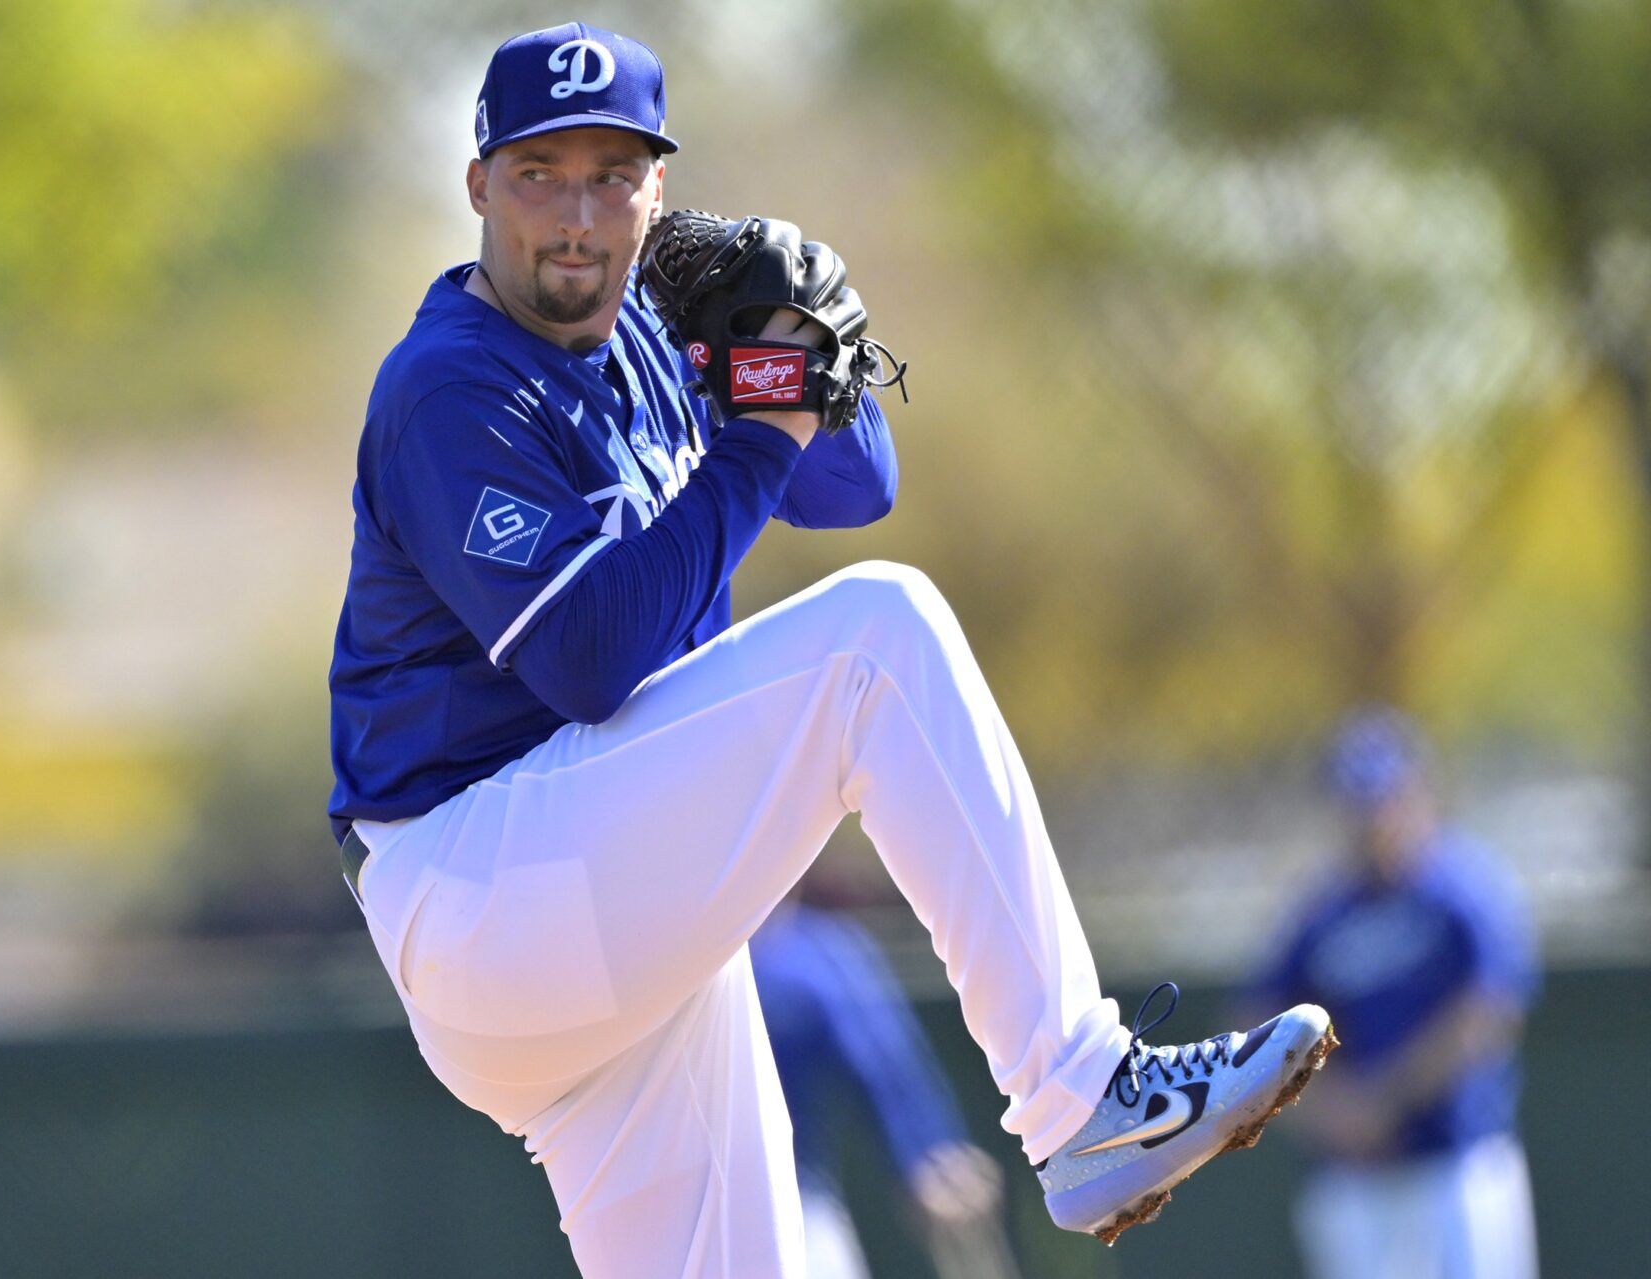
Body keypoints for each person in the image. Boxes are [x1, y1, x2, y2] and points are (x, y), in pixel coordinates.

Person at [327, 22, 1333, 1275]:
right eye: (540, 174)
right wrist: (764, 426)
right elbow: (586, 660)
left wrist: (801, 348)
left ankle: (1083, 1104)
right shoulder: (452, 384)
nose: (576, 215)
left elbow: (855, 486)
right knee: (877, 636)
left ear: (659, 189)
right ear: (479, 184)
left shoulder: (648, 333)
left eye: (611, 173)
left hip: (607, 896)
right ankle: (1080, 1097)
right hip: (482, 890)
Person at [1248, 708, 1539, 1279]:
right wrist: (1330, 1109)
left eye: (1384, 796)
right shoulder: (1323, 911)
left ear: (1417, 791)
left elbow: (1490, 1011)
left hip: (1456, 1162)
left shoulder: (1462, 888)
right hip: (1356, 1172)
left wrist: (1385, 1099)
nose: (1372, 818)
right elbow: (1261, 1017)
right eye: (1357, 802)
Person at [751, 891, 1018, 1279]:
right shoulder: (672, 943)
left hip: (792, 1208)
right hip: (660, 1211)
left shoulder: (811, 952)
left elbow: (883, 1061)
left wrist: (928, 1150)